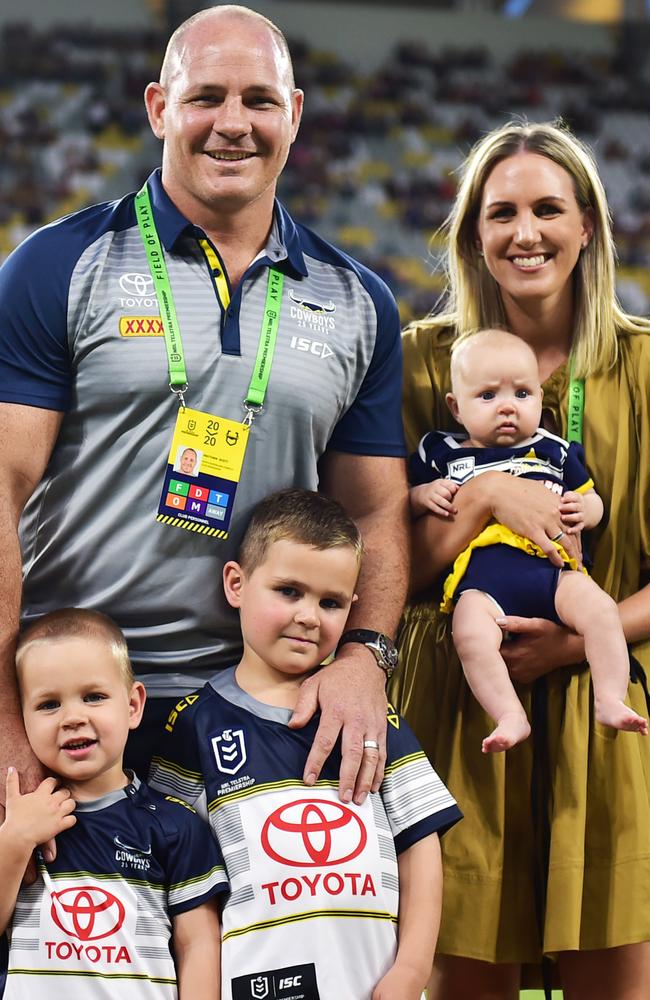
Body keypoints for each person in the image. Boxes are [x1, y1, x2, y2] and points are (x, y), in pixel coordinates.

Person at [0, 4, 409, 812]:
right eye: (205, 98)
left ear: (293, 116)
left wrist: (364, 654)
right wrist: (4, 712)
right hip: (72, 703)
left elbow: (378, 507)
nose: (233, 124)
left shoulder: (359, 301)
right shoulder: (58, 265)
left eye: (259, 100)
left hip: (259, 698)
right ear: (160, 109)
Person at [389, 121, 650, 999]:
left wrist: (577, 644)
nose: (525, 232)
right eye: (501, 212)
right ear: (473, 235)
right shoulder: (420, 362)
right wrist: (490, 500)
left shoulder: (646, 366)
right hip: (461, 710)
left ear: (588, 228)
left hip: (603, 711)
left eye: (548, 209)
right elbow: (392, 568)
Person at [148, 489, 461, 1000]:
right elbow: (182, 881)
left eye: (331, 602)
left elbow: (420, 843)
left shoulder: (368, 713)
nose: (310, 616)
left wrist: (411, 969)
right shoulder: (193, 725)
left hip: (371, 985)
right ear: (236, 584)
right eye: (289, 591)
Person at [409, 327, 647, 752]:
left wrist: (585, 510)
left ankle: (609, 697)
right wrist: (422, 494)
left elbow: (593, 500)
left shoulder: (553, 449)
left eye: (522, 394)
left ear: (540, 396)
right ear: (456, 407)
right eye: (487, 397)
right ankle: (508, 714)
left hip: (551, 570)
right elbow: (401, 509)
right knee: (469, 634)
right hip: (480, 582)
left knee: (601, 610)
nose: (507, 408)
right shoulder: (440, 453)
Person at [0, 608, 226, 998]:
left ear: (133, 705)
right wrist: (16, 840)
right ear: (21, 717)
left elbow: (199, 945)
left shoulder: (176, 824)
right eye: (49, 704)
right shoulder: (15, 818)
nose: (72, 717)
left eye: (94, 697)